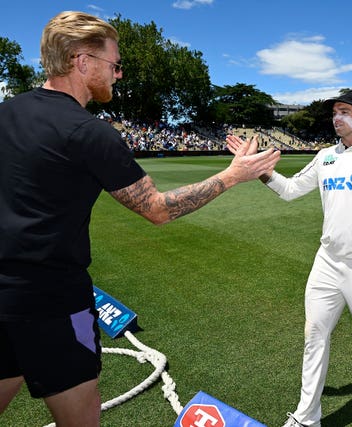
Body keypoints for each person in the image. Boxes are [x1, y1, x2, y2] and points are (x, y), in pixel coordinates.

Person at [0, 11, 280, 427]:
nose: (118, 75)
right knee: (81, 413)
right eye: (114, 65)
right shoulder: (89, 131)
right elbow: (158, 209)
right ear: (83, 61)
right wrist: (232, 175)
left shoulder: (6, 113)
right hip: (53, 300)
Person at [228, 89, 352, 427]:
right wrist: (259, 172)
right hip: (327, 261)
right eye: (334, 113)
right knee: (315, 333)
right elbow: (292, 189)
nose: (337, 118)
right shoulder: (326, 156)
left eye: (344, 111)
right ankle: (306, 417)